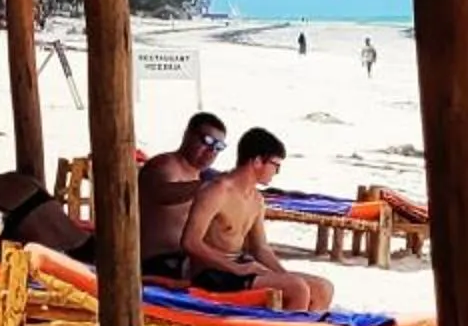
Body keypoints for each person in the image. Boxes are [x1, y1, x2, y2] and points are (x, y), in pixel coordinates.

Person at [179, 128, 335, 311]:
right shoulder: (217, 191)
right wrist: (235, 268)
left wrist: (283, 274)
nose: (277, 171)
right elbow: (190, 242)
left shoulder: (256, 199)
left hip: (240, 267)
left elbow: (260, 248)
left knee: (323, 288)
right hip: (212, 273)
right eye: (275, 165)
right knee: (297, 289)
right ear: (257, 161)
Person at [138, 112, 226, 281]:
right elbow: (161, 193)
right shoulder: (165, 165)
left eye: (218, 146)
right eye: (207, 141)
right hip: (156, 262)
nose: (211, 151)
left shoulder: (200, 176)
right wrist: (205, 187)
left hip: (182, 260)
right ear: (188, 135)